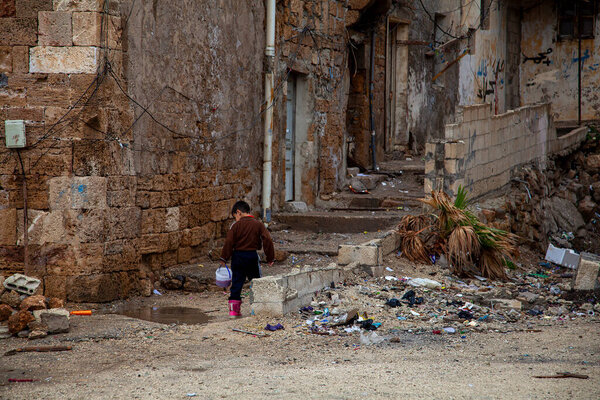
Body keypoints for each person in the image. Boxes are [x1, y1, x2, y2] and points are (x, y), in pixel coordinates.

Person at [220, 200, 275, 317]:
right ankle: (258, 309)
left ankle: (234, 311)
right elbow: (267, 239)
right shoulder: (258, 224)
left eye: (235, 216)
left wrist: (223, 258)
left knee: (236, 283)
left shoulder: (235, 226)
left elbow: (229, 242)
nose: (235, 219)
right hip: (252, 256)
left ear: (238, 212)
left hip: (237, 257)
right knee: (256, 282)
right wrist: (270, 257)